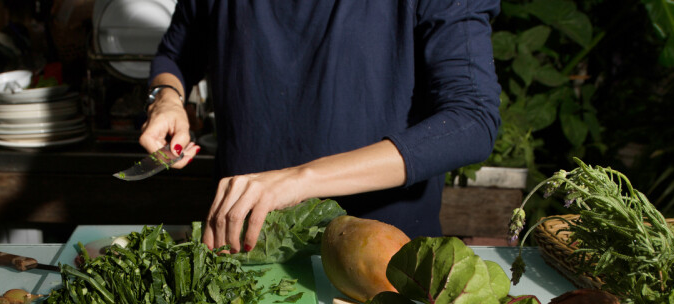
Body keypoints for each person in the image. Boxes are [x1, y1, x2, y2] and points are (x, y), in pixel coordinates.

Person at [139, 0, 502, 253]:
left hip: (382, 260)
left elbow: (471, 120)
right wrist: (168, 97)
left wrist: (301, 180)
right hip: (243, 247)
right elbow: (177, 54)